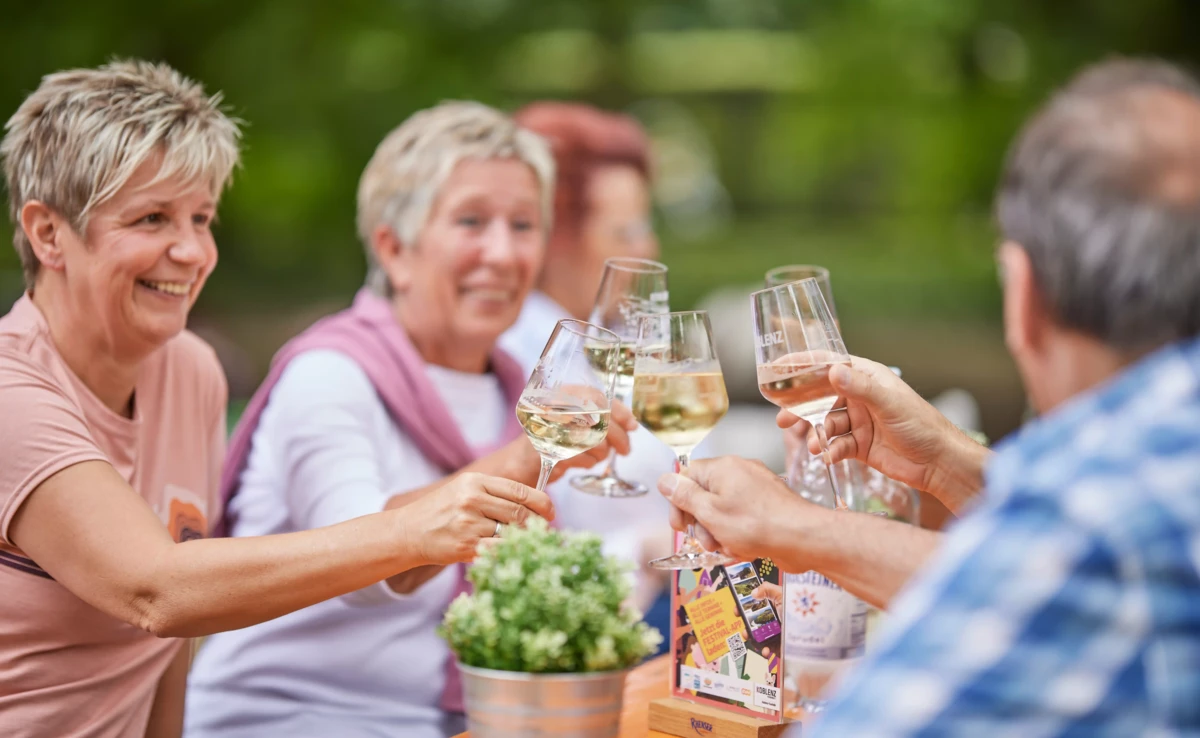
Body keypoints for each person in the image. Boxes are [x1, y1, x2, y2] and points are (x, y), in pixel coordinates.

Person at [0, 62, 554, 738]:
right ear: (48, 233)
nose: (190, 250)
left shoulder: (189, 371)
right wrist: (412, 530)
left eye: (200, 218)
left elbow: (166, 653)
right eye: (152, 218)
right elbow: (156, 592)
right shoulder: (12, 392)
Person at [659, 57, 1200, 735]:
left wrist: (793, 526)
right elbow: (1015, 570)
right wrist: (946, 461)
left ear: (1023, 294)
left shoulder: (1089, 509)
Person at [184, 101, 636, 738]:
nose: (503, 254)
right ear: (394, 249)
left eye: (523, 224)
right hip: (294, 720)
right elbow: (365, 569)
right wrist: (526, 456)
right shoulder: (330, 373)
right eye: (471, 221)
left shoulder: (517, 381)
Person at [497, 101, 677, 620]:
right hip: (601, 613)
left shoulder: (631, 335)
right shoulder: (518, 351)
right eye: (625, 233)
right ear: (558, 238)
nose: (649, 245)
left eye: (646, 225)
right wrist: (639, 553)